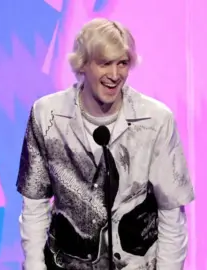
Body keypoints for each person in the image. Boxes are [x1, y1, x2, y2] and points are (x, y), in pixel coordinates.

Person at [16, 18, 194, 270]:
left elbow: (171, 214)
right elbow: (34, 204)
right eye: (105, 63)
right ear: (83, 65)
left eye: (122, 63)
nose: (114, 75)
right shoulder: (48, 115)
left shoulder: (155, 120)